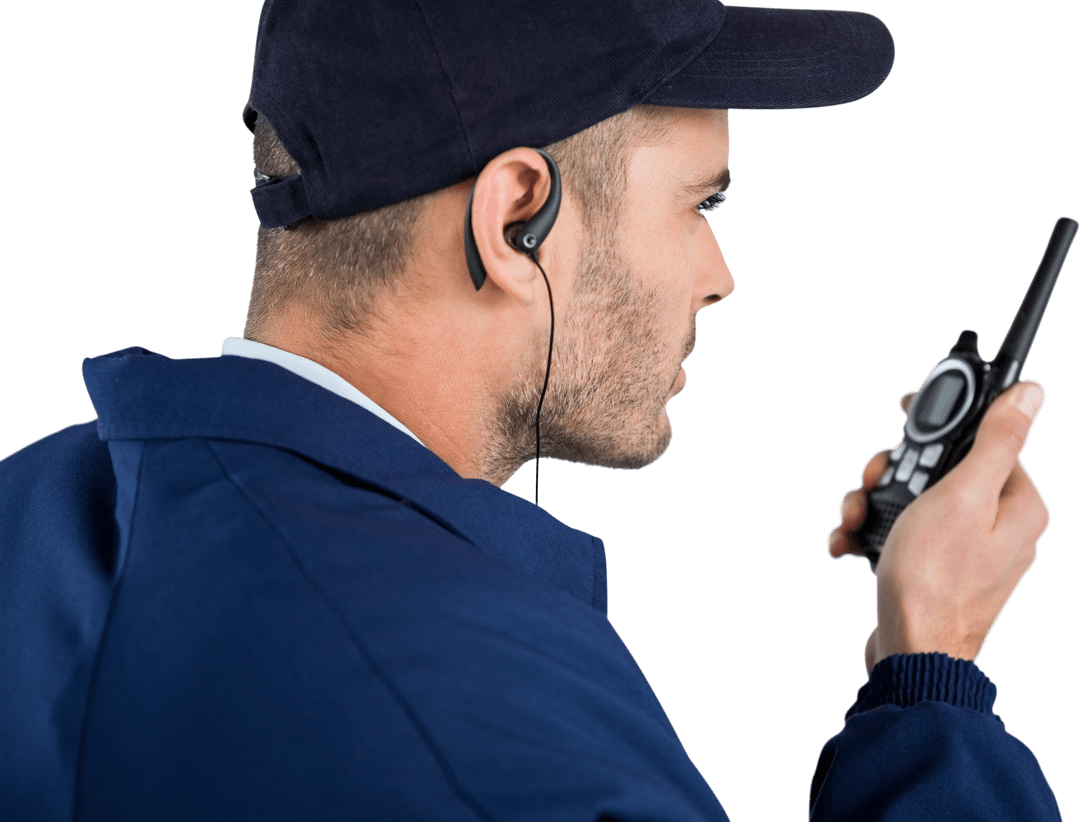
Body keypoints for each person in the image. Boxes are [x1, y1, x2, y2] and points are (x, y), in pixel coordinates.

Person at [0, 0, 1063, 818]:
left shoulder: (30, 512)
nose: (720, 274)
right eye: (702, 205)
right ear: (518, 215)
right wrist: (933, 672)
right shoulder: (511, 739)